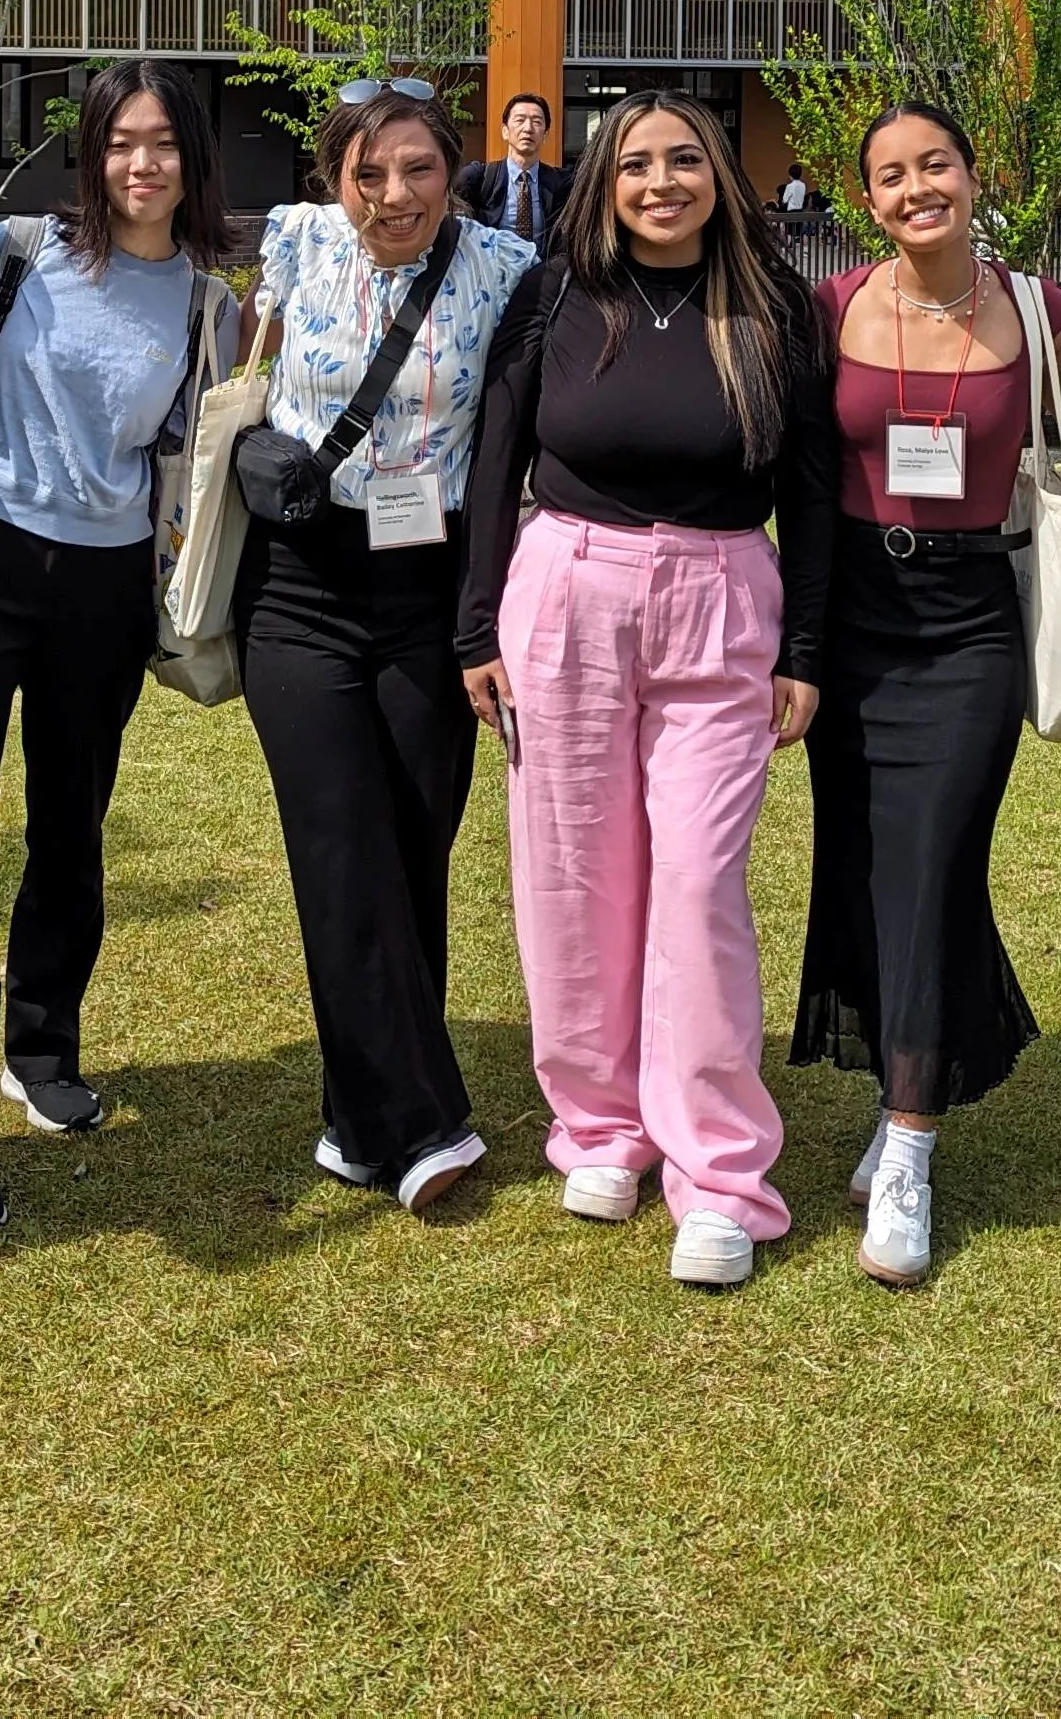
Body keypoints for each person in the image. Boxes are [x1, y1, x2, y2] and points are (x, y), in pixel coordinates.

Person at [460, 89, 836, 1292]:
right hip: (566, 587)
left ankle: (719, 1173)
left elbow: (818, 489)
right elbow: (494, 459)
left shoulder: (773, 305)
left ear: (721, 175)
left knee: (699, 886)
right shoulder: (555, 294)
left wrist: (807, 649)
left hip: (725, 600)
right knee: (572, 874)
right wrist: (475, 625)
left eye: (684, 161)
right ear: (602, 182)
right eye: (634, 165)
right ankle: (600, 1127)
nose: (660, 183)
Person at [0, 58, 242, 1230]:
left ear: (193, 157)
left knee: (70, 826)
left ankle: (41, 1050)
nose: (143, 164)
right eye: (121, 140)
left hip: (103, 579)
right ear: (91, 150)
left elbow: (192, 456)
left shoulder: (206, 302)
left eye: (165, 143)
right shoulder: (21, 250)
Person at [796, 102, 1061, 1287]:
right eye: (891, 176)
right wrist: (797, 645)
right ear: (867, 200)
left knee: (936, 860)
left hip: (970, 621)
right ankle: (902, 1084)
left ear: (974, 176)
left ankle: (911, 1142)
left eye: (937, 166)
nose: (919, 188)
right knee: (865, 865)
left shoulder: (1040, 310)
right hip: (855, 615)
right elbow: (804, 482)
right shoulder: (830, 309)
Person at [242, 83, 539, 1214]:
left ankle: (356, 1114)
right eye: (367, 173)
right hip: (301, 587)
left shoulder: (507, 269)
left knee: (412, 852)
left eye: (417, 168)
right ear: (333, 177)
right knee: (340, 847)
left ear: (450, 167)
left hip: (432, 589)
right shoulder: (296, 238)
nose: (393, 194)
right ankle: (425, 1126)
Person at [454, 90, 572, 243]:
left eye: (536, 122)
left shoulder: (561, 184)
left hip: (542, 265)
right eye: (520, 120)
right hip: (492, 264)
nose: (528, 128)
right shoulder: (478, 178)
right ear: (505, 131)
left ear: (545, 135)